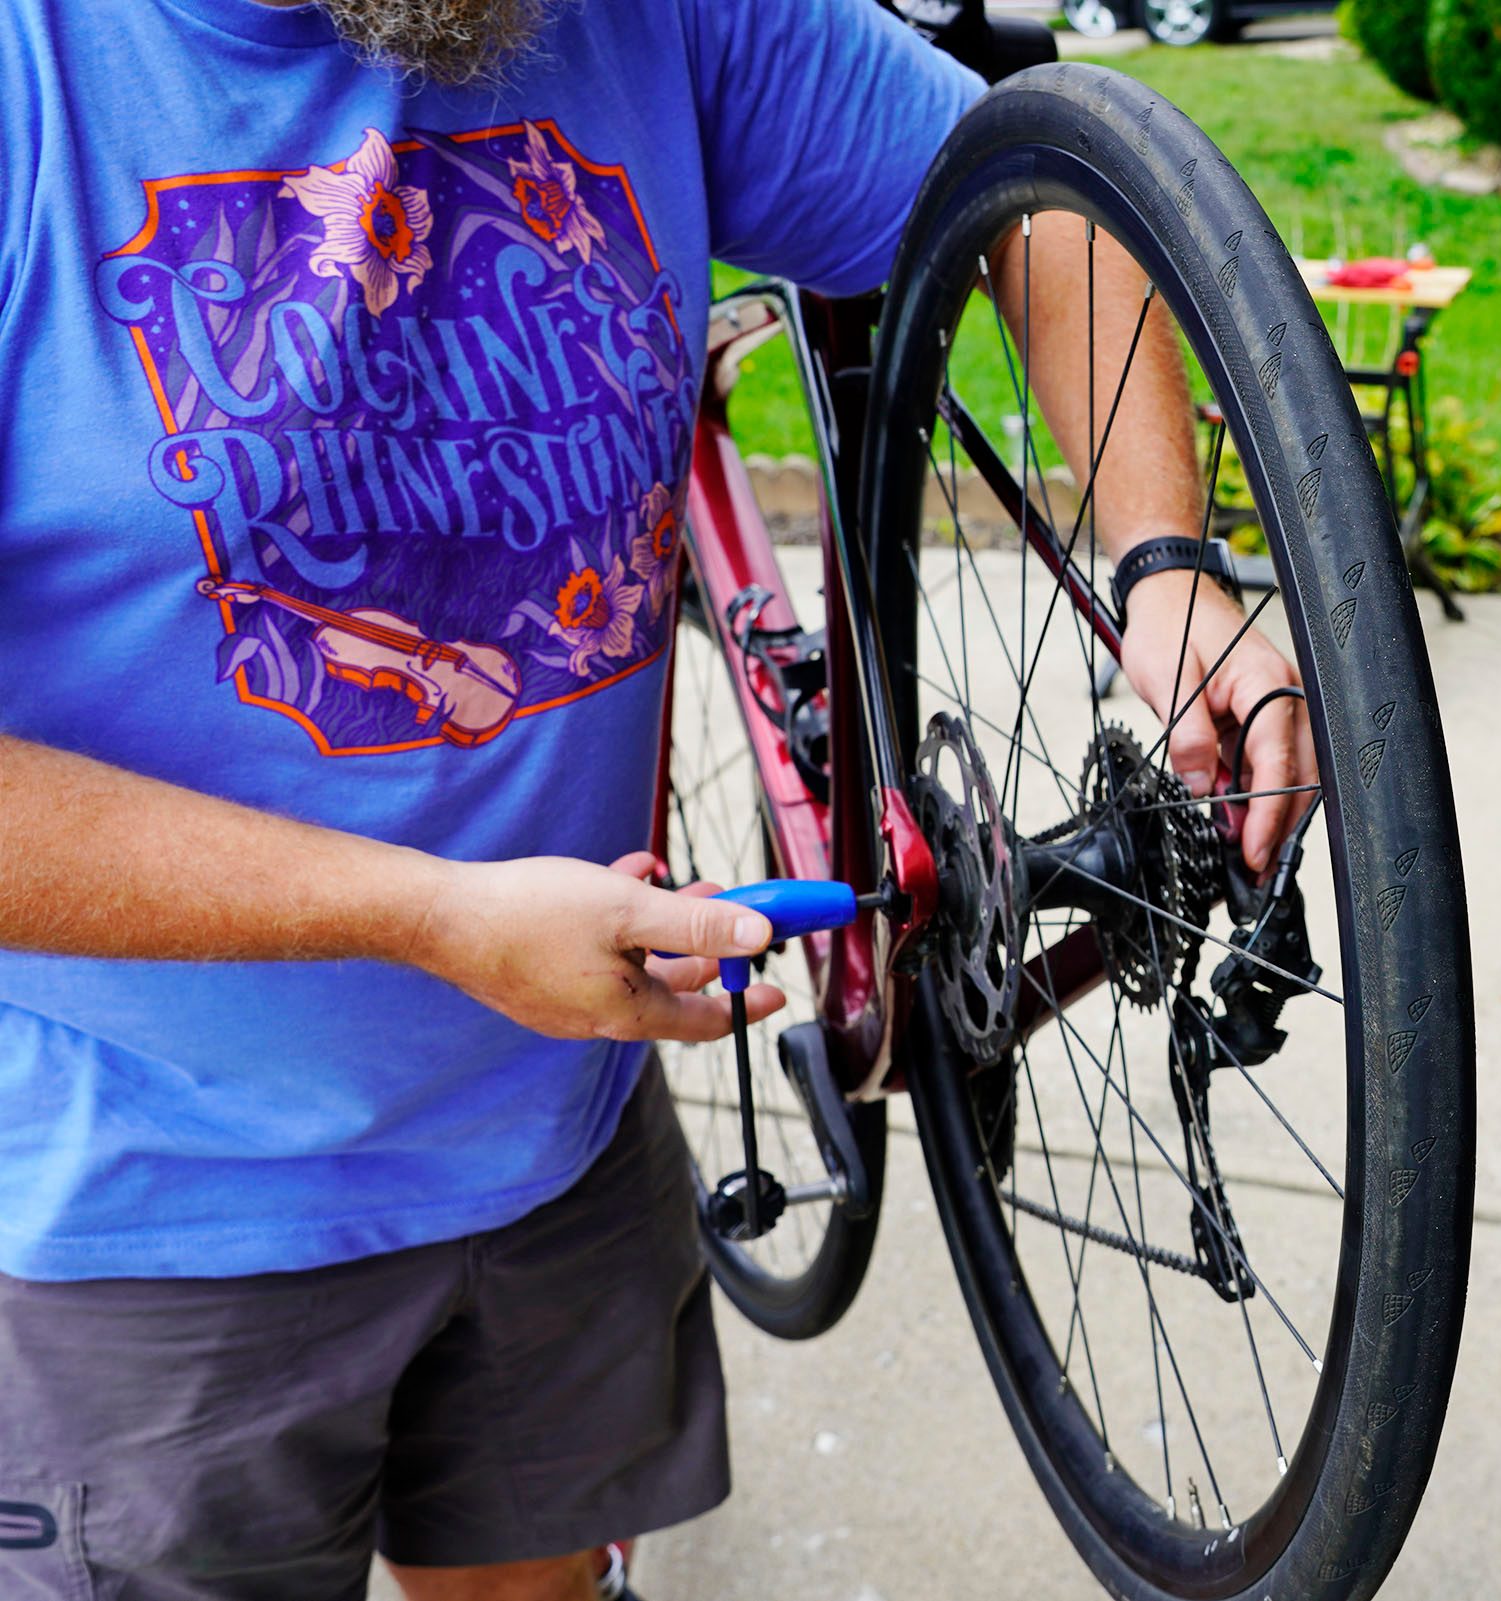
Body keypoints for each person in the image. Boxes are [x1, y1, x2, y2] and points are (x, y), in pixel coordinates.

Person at [0, 0, 1313, 1596]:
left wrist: (1166, 566)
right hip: (144, 1224)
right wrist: (433, 918)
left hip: (560, 1128)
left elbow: (1047, 203)